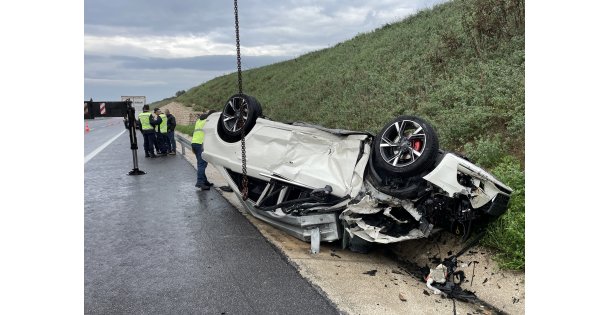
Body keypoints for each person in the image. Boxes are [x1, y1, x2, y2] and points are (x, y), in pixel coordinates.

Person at [191, 111, 214, 190]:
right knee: (202, 164)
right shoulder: (207, 121)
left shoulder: (199, 121)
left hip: (194, 143)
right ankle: (200, 182)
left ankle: (204, 181)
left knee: (200, 164)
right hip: (201, 144)